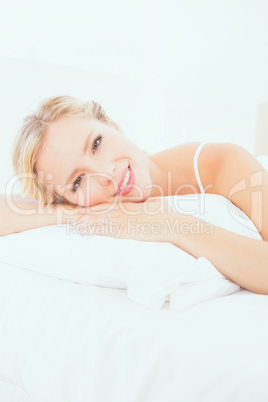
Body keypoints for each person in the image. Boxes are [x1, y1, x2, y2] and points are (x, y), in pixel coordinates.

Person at [1, 95, 268, 295]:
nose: (106, 173)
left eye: (96, 144)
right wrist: (67, 212)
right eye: (79, 180)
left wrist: (170, 224)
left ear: (113, 125)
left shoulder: (221, 163)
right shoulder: (86, 205)